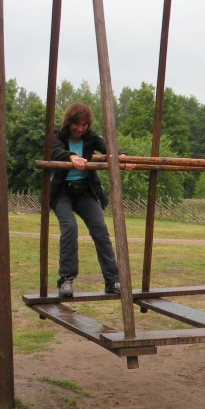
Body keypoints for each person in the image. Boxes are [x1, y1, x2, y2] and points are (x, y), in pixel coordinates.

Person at [49, 102, 120, 298]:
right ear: (69, 122)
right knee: (70, 228)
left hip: (85, 192)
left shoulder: (90, 137)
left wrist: (120, 156)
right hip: (62, 193)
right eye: (76, 125)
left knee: (100, 230)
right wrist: (71, 157)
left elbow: (107, 147)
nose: (80, 129)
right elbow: (55, 151)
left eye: (84, 125)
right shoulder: (58, 137)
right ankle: (66, 280)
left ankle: (112, 280)